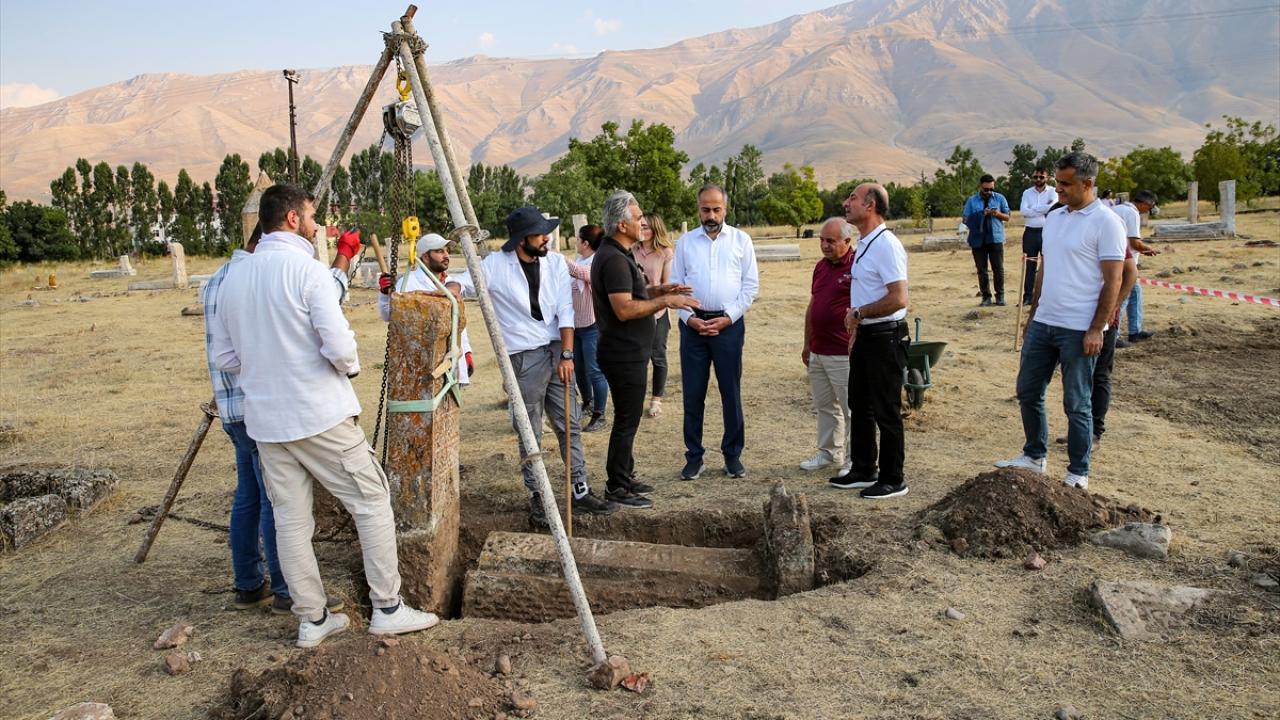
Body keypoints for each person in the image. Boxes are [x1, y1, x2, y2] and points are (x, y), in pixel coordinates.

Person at [209, 184, 438, 648]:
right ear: (293, 218)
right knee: (371, 499)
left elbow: (226, 357)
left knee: (291, 520)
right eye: (313, 217)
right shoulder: (308, 272)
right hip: (319, 414)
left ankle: (312, 619)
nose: (318, 227)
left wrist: (269, 364)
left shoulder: (233, 278)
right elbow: (339, 347)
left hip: (266, 421)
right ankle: (388, 608)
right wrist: (343, 367)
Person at [480, 206, 618, 526]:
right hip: (523, 356)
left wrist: (567, 355)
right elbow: (463, 283)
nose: (547, 238)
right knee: (529, 429)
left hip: (557, 351)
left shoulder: (555, 262)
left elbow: (566, 309)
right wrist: (452, 289)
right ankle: (538, 496)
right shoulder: (495, 265)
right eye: (540, 233)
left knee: (569, 423)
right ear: (521, 239)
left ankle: (580, 491)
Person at [996, 153, 1127, 490]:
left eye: (1066, 184)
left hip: (1079, 328)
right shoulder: (1054, 217)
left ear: (1088, 183)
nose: (1059, 189)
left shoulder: (1107, 222)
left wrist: (1097, 328)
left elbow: (1114, 280)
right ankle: (1034, 456)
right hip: (1045, 322)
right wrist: (1033, 314)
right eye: (1058, 182)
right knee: (1028, 390)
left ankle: (1078, 473)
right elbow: (1044, 269)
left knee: (1076, 402)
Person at [592, 191, 699, 506]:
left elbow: (632, 293)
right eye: (638, 218)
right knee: (627, 421)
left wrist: (658, 289)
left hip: (629, 351)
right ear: (622, 224)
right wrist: (666, 300)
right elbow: (624, 309)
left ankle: (625, 474)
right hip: (622, 353)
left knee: (629, 418)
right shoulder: (613, 258)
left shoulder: (619, 253)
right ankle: (617, 486)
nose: (643, 223)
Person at [670, 185, 760, 480]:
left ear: (725, 209)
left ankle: (732, 455)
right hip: (693, 328)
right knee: (693, 394)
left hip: (728, 327)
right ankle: (694, 457)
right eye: (705, 209)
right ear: (698, 209)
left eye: (716, 209)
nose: (711, 215)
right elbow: (675, 286)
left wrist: (728, 318)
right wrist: (689, 318)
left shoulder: (741, 240)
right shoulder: (685, 243)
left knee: (730, 392)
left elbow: (750, 286)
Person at [829, 184, 911, 499]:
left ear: (870, 205)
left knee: (886, 409)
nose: (845, 203)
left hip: (886, 336)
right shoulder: (865, 243)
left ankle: (893, 478)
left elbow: (898, 298)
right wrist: (857, 329)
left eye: (852, 198)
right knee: (859, 404)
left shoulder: (886, 245)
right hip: (867, 335)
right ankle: (864, 469)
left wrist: (859, 314)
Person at [377, 233, 475, 385]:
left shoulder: (451, 282)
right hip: (424, 363)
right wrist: (384, 295)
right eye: (439, 251)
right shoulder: (409, 282)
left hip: (452, 360)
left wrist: (467, 352)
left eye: (446, 251)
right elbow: (389, 315)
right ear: (425, 257)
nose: (446, 255)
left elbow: (458, 324)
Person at [800, 217, 855, 474]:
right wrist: (807, 343)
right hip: (818, 349)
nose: (824, 245)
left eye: (830, 241)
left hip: (843, 351)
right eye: (822, 240)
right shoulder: (820, 267)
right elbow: (813, 305)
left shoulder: (857, 265)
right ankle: (828, 453)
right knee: (825, 407)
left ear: (847, 241)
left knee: (851, 409)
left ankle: (854, 459)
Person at [566, 224, 609, 432]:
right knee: (580, 368)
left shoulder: (596, 262)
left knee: (595, 370)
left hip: (592, 325)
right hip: (576, 326)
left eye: (578, 239)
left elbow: (581, 273)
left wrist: (557, 257)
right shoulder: (581, 259)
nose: (576, 242)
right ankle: (588, 402)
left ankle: (600, 413)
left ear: (585, 243)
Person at [634, 213, 675, 419]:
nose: (642, 230)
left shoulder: (665, 253)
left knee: (657, 355)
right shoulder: (632, 250)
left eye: (646, 227)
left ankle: (656, 400)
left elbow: (666, 284)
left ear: (655, 230)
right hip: (636, 309)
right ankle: (636, 399)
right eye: (640, 226)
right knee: (638, 357)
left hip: (658, 311)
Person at [1112, 190, 1160, 346]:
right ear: (1145, 203)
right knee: (1123, 298)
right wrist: (1148, 249)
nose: (1149, 210)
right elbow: (1134, 243)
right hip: (1126, 263)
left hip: (1116, 259)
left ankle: (1135, 331)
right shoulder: (1132, 213)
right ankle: (1113, 335)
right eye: (1150, 207)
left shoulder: (1116, 208)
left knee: (1135, 294)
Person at [962, 174, 1011, 306]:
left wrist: (997, 214)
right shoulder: (972, 201)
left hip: (995, 237)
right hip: (978, 239)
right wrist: (980, 214)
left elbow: (1007, 217)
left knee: (998, 268)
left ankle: (1000, 296)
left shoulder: (1000, 198)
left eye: (991, 189)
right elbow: (965, 219)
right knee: (981, 270)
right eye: (986, 189)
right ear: (980, 186)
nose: (989, 192)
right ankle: (986, 297)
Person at [1019, 167, 1056, 306]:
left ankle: (1045, 297)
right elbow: (1023, 211)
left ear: (1047, 178)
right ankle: (1028, 296)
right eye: (1035, 177)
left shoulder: (1053, 191)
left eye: (1041, 177)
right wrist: (1043, 208)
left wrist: (1033, 209)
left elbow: (1053, 207)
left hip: (1047, 231)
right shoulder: (1027, 193)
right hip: (1030, 232)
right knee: (1029, 264)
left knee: (1048, 264)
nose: (1038, 179)